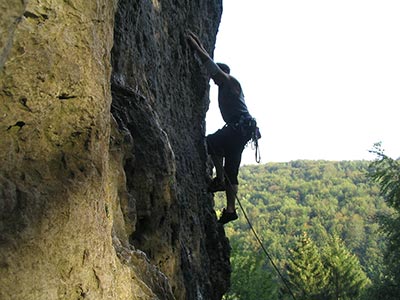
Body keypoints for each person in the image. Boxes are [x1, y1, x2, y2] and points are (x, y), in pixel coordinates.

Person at [187, 32, 258, 224]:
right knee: (231, 170)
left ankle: (219, 179)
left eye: (216, 77)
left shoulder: (230, 82)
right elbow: (210, 61)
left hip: (238, 129)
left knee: (211, 142)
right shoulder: (227, 87)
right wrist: (200, 42)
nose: (214, 81)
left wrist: (194, 45)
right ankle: (230, 209)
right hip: (241, 131)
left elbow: (208, 62)